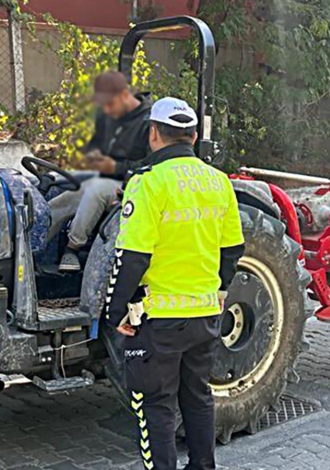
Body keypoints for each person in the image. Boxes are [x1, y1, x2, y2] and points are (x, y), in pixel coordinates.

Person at [104, 97, 246, 470]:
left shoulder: (148, 184)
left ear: (153, 133)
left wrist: (115, 310)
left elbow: (132, 257)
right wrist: (217, 291)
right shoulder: (219, 182)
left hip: (158, 323)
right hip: (204, 318)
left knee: (155, 406)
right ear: (194, 136)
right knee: (198, 397)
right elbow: (233, 249)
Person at [49, 71, 152, 271]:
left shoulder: (149, 122)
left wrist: (117, 167)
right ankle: (34, 241)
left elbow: (152, 164)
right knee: (63, 180)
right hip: (107, 175)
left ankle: (73, 248)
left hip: (131, 183)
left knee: (96, 189)